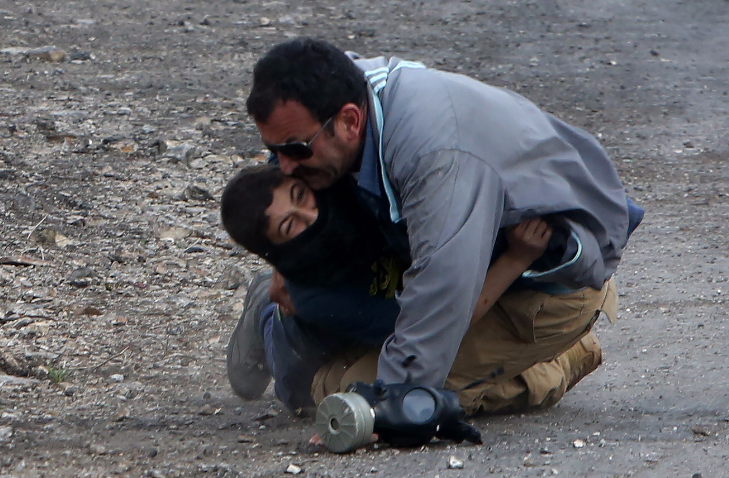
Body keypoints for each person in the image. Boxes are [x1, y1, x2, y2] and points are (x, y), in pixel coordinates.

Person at [226, 38, 643, 436]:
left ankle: (561, 358)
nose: (282, 166)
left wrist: (389, 408)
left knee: (342, 393)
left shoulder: (438, 161)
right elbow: (293, 142)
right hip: (457, 268)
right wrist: (279, 255)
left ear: (350, 121)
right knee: (367, 362)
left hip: (540, 293)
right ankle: (284, 326)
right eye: (274, 150)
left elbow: (443, 293)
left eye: (294, 151)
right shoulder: (343, 87)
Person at [221, 164, 552, 409]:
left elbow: (296, 126)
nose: (312, 214)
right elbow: (436, 324)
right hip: (308, 338)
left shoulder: (334, 180)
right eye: (291, 225)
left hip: (378, 318)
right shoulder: (314, 297)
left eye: (301, 195)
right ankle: (262, 315)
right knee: (302, 397)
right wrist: (516, 259)